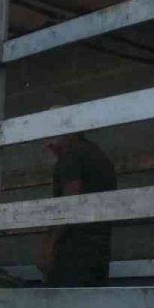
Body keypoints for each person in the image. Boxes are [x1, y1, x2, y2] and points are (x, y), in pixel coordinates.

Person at [36, 123, 116, 287]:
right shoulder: (97, 154)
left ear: (68, 133)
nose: (50, 146)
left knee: (61, 305)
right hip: (99, 250)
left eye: (53, 138)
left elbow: (71, 202)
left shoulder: (70, 156)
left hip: (73, 251)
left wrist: (49, 245)